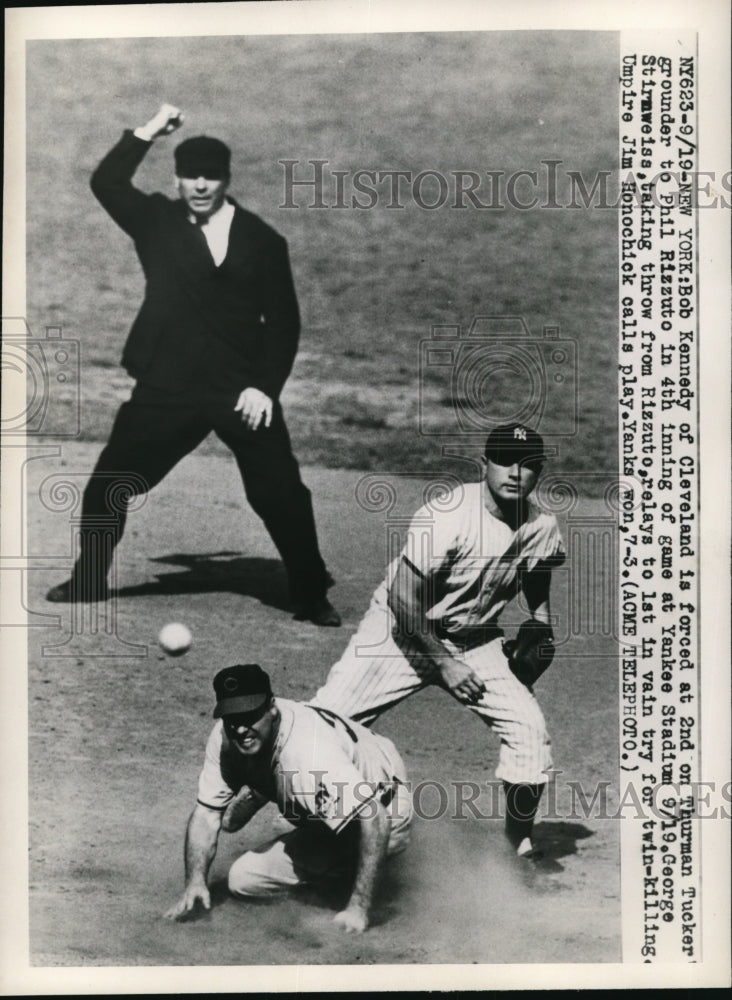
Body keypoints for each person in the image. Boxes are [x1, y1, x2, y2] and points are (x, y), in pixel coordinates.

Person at [46, 103, 339, 627]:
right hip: (167, 386)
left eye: (211, 177)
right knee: (109, 484)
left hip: (240, 389)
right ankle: (88, 579)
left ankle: (310, 593)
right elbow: (107, 182)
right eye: (190, 176)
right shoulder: (156, 222)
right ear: (178, 179)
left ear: (226, 180)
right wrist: (148, 132)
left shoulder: (263, 241)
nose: (200, 185)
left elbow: (285, 323)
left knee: (280, 493)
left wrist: (264, 388)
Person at [311, 423, 566, 863]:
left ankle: (516, 843)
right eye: (504, 460)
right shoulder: (446, 515)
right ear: (484, 464)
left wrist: (540, 621)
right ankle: (258, 796)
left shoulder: (542, 524)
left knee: (529, 731)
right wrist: (446, 664)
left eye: (526, 465)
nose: (514, 472)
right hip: (401, 632)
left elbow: (538, 567)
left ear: (538, 473)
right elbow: (402, 597)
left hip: (477, 639)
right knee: (325, 722)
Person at [164, 663, 412, 933]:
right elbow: (207, 815)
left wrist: (358, 908)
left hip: (387, 807)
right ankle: (274, 793)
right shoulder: (226, 738)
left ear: (272, 708)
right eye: (232, 718)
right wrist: (195, 882)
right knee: (243, 880)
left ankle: (357, 879)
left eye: (249, 716)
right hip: (325, 796)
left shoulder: (309, 754)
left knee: (296, 813)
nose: (240, 729)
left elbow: (375, 816)